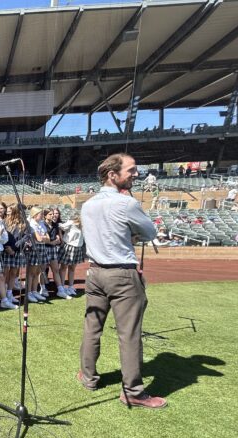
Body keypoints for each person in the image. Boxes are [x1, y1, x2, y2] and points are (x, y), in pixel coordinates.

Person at [78, 153, 165, 409]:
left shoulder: (88, 204)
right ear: (112, 175)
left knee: (92, 328)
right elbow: (150, 232)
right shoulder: (126, 203)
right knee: (129, 335)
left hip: (94, 273)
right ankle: (133, 392)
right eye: (131, 170)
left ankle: (88, 376)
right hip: (122, 274)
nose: (136, 174)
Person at [58, 214, 85, 296]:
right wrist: (61, 238)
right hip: (68, 246)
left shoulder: (84, 225)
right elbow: (59, 226)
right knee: (63, 267)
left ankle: (70, 286)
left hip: (78, 248)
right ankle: (62, 287)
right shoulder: (71, 222)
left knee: (72, 268)